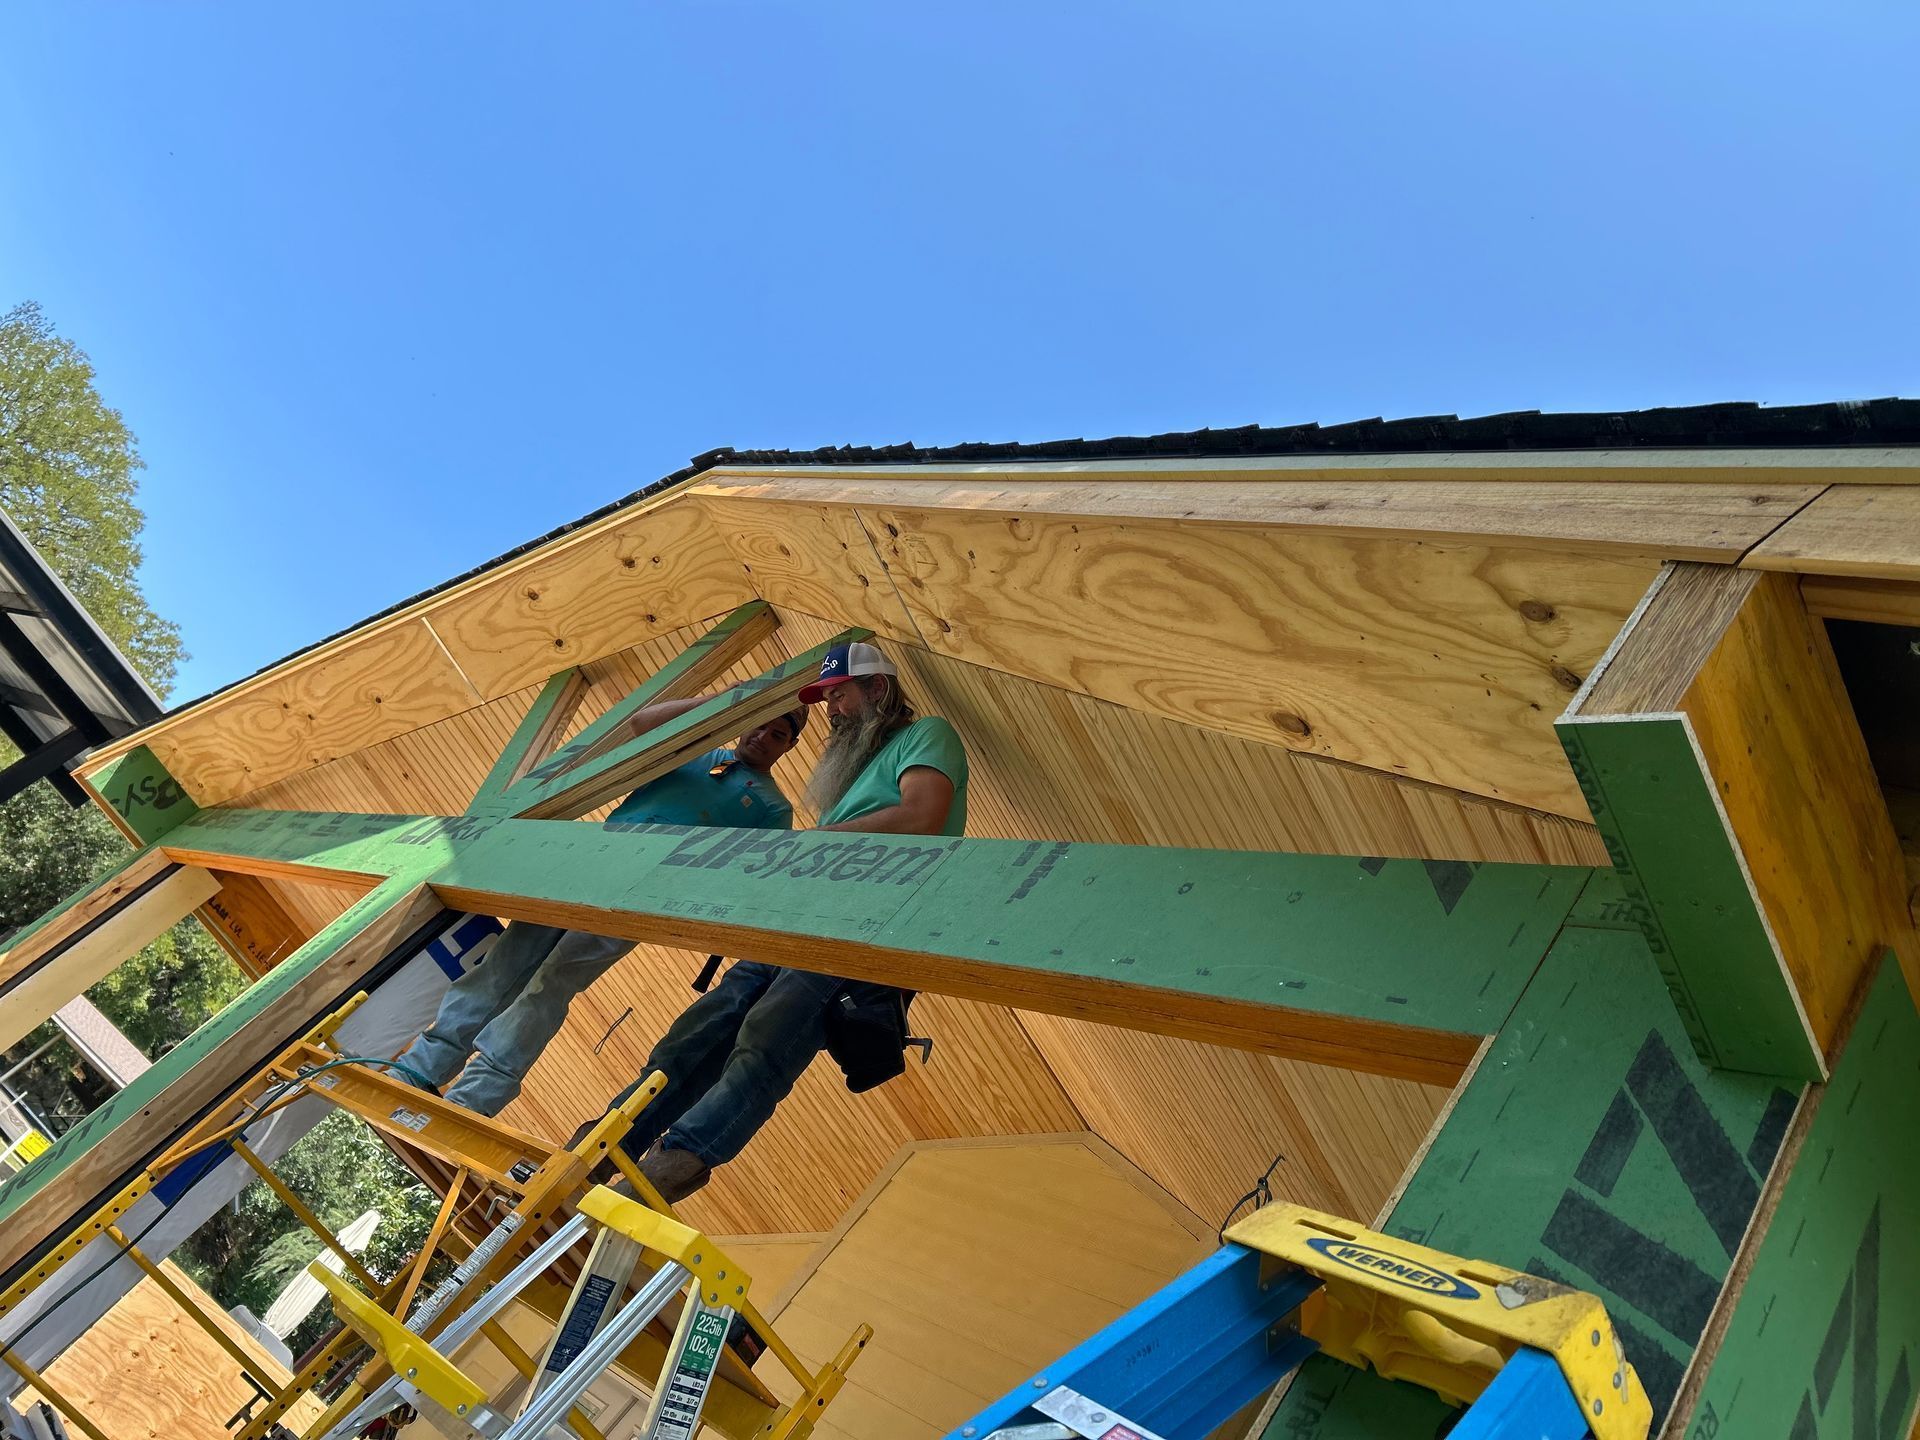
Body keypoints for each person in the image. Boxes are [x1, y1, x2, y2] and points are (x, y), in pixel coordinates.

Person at [605, 641, 968, 1203]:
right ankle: (601, 1149)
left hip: (868, 922)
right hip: (801, 917)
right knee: (702, 1029)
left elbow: (922, 816)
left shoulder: (928, 735)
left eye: (840, 694)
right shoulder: (853, 777)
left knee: (768, 1034)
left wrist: (813, 842)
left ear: (878, 689)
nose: (832, 711)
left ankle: (675, 1165)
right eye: (826, 700)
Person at [395, 698, 808, 1116]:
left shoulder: (773, 808)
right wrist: (730, 699)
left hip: (639, 896)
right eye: (760, 723)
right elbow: (643, 722)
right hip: (591, 861)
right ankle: (421, 1067)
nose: (763, 737)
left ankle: (474, 1098)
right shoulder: (695, 745)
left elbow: (749, 875)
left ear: (789, 747)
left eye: (778, 735)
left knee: (553, 983)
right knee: (506, 961)